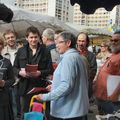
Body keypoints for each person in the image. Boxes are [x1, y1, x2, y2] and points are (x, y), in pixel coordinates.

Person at [36, 31, 89, 120]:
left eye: (60, 42)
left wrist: (45, 97)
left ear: (68, 43)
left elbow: (66, 86)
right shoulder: (76, 57)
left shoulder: (69, 58)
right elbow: (73, 82)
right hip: (74, 111)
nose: (56, 45)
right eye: (56, 42)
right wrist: (54, 86)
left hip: (68, 113)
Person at [13, 26, 53, 119]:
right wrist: (20, 72)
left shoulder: (45, 50)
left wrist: (39, 73)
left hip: (41, 87)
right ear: (27, 38)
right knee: (25, 113)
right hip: (25, 87)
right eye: (31, 37)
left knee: (41, 113)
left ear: (39, 37)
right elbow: (14, 67)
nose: (33, 39)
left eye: (35, 37)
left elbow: (50, 69)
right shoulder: (21, 50)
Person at [94, 30, 120, 114]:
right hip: (103, 98)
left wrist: (113, 96)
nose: (112, 42)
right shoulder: (114, 54)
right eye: (111, 40)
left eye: (116, 40)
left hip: (111, 100)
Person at [2, 29, 19, 119]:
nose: (10, 39)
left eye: (12, 37)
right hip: (7, 85)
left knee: (19, 107)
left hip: (19, 83)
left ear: (16, 37)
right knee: (10, 108)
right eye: (8, 38)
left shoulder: (21, 50)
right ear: (5, 40)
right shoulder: (2, 52)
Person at [76, 32, 97, 99]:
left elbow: (93, 71)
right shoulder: (72, 53)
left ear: (87, 42)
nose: (81, 43)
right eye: (79, 41)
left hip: (85, 86)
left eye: (83, 41)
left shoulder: (91, 56)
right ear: (76, 41)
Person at [0, 34, 15, 120]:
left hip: (3, 99)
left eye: (0, 43)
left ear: (2, 46)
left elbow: (12, 80)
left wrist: (4, 83)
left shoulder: (6, 62)